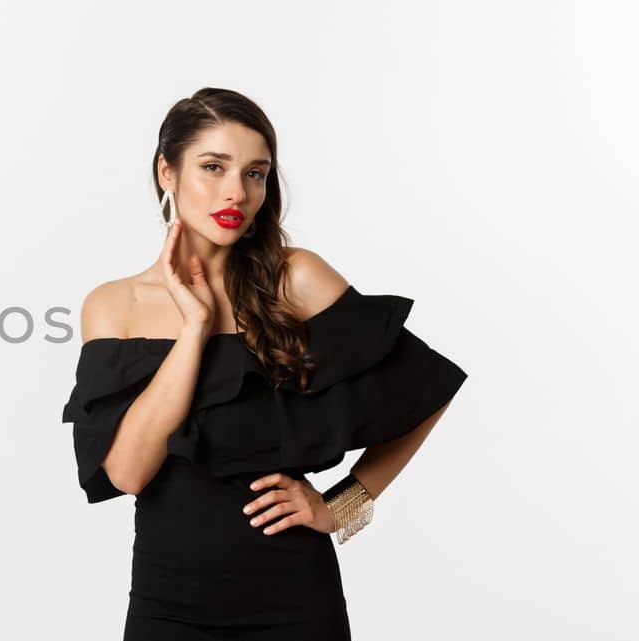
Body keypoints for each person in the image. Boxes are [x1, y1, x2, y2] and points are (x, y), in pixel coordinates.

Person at [62, 88, 468, 640]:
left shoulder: (295, 279)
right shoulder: (112, 306)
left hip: (293, 600)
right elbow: (128, 474)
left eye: (256, 173)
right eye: (213, 167)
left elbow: (428, 390)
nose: (237, 191)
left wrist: (342, 505)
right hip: (167, 605)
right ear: (167, 171)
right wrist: (194, 329)